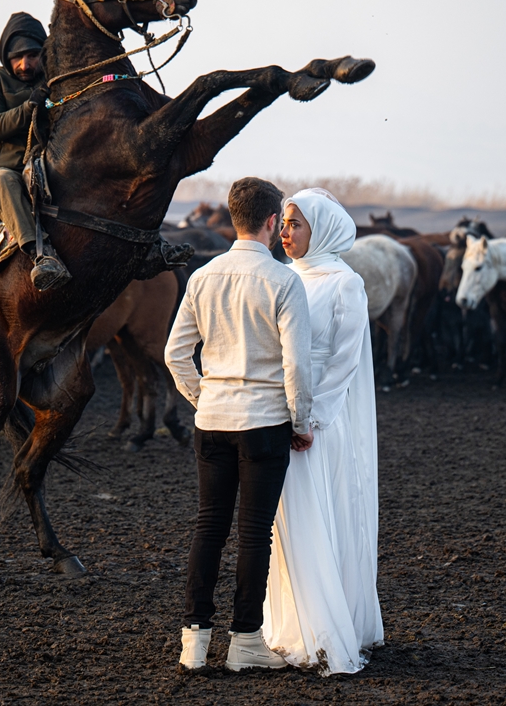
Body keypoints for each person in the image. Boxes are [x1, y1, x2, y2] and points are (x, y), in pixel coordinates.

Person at [165, 177, 314, 672]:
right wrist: (303, 421)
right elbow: (296, 365)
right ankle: (245, 643)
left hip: (212, 422)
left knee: (209, 527)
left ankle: (194, 641)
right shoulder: (284, 281)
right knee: (254, 535)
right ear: (273, 222)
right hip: (265, 424)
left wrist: (202, 395)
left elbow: (175, 354)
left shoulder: (203, 277)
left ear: (233, 218)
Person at [262, 188, 384, 675]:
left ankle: (332, 625)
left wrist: (311, 418)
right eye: (285, 224)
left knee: (322, 510)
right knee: (287, 518)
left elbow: (344, 362)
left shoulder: (344, 282)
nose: (286, 233)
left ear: (322, 229)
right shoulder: (285, 277)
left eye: (296, 224)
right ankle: (292, 623)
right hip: (281, 411)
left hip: (321, 422)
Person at [0, 12, 70, 291]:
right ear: (7, 56)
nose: (24, 64)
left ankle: (148, 243)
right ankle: (40, 255)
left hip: (48, 180)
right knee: (6, 179)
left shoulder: (56, 82)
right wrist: (30, 107)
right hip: (1, 185)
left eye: (32, 55)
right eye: (17, 57)